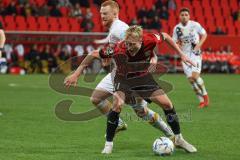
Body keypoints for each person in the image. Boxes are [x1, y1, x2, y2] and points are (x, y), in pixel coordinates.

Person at [64, 0, 174, 141]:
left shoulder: (119, 29)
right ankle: (119, 123)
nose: (102, 16)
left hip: (133, 77)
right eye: (101, 13)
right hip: (119, 73)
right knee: (96, 98)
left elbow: (139, 45)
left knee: (141, 111)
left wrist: (153, 57)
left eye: (105, 13)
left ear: (115, 13)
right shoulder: (114, 29)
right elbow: (117, 48)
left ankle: (170, 134)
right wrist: (109, 58)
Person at [100, 25, 197, 154]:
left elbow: (166, 36)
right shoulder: (118, 48)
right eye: (127, 43)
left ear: (141, 41)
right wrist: (104, 59)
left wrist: (181, 54)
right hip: (122, 77)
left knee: (167, 104)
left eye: (132, 44)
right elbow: (100, 53)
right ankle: (108, 145)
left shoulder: (150, 40)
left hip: (142, 76)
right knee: (117, 104)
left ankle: (179, 139)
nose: (128, 46)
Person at [173, 8, 209, 108]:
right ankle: (201, 101)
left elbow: (204, 34)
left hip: (195, 54)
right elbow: (174, 41)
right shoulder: (177, 28)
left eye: (186, 15)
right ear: (179, 16)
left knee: (195, 76)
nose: (184, 16)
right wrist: (178, 46)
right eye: (182, 15)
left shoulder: (195, 25)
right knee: (191, 80)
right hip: (184, 56)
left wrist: (199, 45)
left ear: (189, 16)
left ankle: (205, 96)